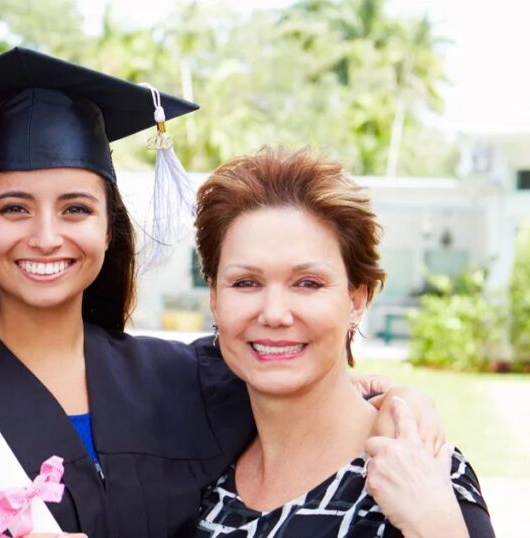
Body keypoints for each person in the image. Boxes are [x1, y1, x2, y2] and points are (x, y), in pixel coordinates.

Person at [0, 48, 433, 538]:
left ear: (109, 227)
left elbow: (308, 390)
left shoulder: (194, 384)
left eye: (76, 208)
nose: (46, 237)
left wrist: (400, 401)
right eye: (13, 208)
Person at [192, 147, 493, 537]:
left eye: (308, 283)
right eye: (246, 283)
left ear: (356, 300)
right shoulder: (202, 466)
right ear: (215, 299)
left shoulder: (417, 476)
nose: (274, 313)